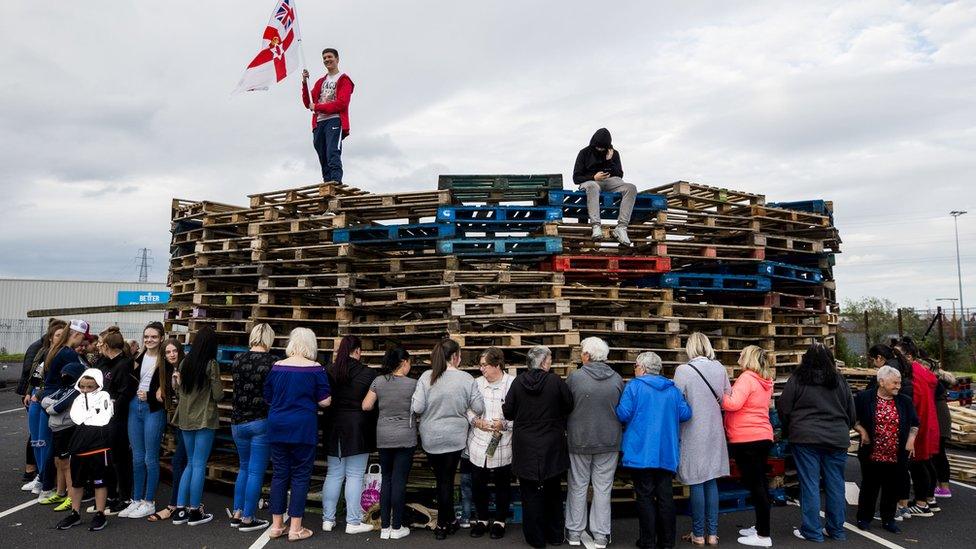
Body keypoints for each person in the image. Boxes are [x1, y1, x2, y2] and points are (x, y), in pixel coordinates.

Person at [776, 343, 855, 542]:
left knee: (809, 484)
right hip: (836, 437)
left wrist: (789, 429)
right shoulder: (839, 380)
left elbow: (784, 407)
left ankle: (812, 531)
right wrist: (844, 427)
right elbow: (851, 411)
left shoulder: (798, 379)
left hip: (805, 437)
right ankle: (836, 529)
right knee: (835, 483)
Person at [412, 339, 485, 540]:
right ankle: (444, 524)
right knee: (447, 479)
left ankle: (447, 522)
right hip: (455, 438)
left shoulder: (427, 376)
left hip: (431, 437)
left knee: (441, 479)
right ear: (455, 356)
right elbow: (478, 408)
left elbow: (417, 407)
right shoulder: (466, 378)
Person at [617, 352, 692, 549]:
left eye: (635, 366)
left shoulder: (634, 386)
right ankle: (667, 542)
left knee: (644, 497)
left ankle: (647, 541)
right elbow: (685, 413)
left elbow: (622, 413)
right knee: (666, 496)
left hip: (641, 452)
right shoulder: (672, 389)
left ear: (642, 368)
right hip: (666, 452)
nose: (634, 369)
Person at [502, 346, 574, 549]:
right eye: (549, 360)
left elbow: (508, 412)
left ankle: (536, 538)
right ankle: (555, 535)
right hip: (551, 442)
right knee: (553, 490)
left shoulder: (517, 383)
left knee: (530, 491)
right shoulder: (555, 382)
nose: (550, 363)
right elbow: (569, 404)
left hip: (525, 444)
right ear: (543, 363)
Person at [265, 327, 332, 542]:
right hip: (303, 427)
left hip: (277, 425)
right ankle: (295, 528)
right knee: (301, 476)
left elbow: (268, 396)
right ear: (311, 344)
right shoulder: (316, 369)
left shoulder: (276, 367)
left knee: (279, 474)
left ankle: (276, 526)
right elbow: (325, 401)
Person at [565, 337, 624, 549]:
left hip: (579, 440)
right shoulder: (617, 379)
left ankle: (574, 531)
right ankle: (601, 534)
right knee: (603, 488)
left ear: (587, 355)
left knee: (578, 485)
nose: (581, 355)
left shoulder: (575, 378)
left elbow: (565, 407)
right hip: (609, 441)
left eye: (582, 352)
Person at [673, 333, 731, 546]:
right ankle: (713, 534)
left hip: (692, 430)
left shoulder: (683, 371)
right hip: (715, 431)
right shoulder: (719, 368)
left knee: (696, 480)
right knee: (711, 479)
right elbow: (727, 397)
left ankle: (698, 534)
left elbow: (677, 402)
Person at [853, 364, 919, 534]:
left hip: (896, 453)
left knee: (892, 487)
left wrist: (911, 440)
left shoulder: (904, 401)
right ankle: (864, 518)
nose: (898, 386)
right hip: (872, 451)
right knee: (870, 486)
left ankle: (888, 519)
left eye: (899, 383)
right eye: (895, 383)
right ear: (881, 382)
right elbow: (852, 417)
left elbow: (914, 423)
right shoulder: (864, 398)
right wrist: (862, 431)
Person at [322, 335, 377, 534]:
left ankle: (327, 519)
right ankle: (353, 522)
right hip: (358, 428)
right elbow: (373, 406)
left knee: (333, 474)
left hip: (333, 426)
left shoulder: (328, 370)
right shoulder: (368, 373)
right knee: (355, 475)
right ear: (358, 351)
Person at [721, 346, 774, 548]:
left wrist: (719, 395)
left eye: (741, 354)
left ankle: (763, 535)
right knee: (759, 483)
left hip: (746, 438)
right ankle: (761, 526)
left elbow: (733, 404)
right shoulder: (764, 380)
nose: (739, 356)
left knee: (756, 486)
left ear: (749, 358)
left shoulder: (746, 378)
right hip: (762, 436)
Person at [362, 348, 417, 540]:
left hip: (383, 436)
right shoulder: (413, 384)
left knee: (386, 479)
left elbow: (366, 405)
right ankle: (397, 526)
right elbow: (419, 408)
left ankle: (384, 527)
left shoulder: (379, 381)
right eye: (409, 362)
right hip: (405, 437)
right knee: (399, 481)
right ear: (403, 362)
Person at [171, 326, 222, 526]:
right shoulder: (211, 364)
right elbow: (218, 395)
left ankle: (181, 510)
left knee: (190, 463)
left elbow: (180, 393)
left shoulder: (185, 363)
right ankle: (195, 511)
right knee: (199, 464)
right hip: (205, 419)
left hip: (185, 420)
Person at [36, 319, 90, 504]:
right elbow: (82, 379)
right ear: (76, 334)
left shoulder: (55, 350)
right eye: (83, 337)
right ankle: (69, 494)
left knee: (58, 450)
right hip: (60, 403)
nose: (83, 342)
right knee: (65, 453)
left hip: (49, 399)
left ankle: (52, 488)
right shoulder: (68, 354)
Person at [229, 324, 277, 532]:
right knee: (256, 472)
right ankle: (249, 517)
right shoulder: (273, 362)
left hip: (237, 421)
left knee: (244, 467)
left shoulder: (238, 359)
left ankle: (237, 512)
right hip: (260, 421)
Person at [55, 368, 115, 531]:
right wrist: (91, 414)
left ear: (98, 385)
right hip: (79, 445)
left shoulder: (104, 396)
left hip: (99, 445)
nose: (85, 390)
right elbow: (77, 417)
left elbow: (103, 418)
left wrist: (90, 415)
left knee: (99, 480)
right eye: (82, 386)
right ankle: (75, 513)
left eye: (90, 386)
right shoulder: (78, 399)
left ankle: (100, 513)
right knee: (77, 481)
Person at [467, 348, 516, 540]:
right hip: (479, 442)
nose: (482, 369)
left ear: (497, 365)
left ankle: (500, 521)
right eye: (480, 365)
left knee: (502, 483)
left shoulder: (512, 384)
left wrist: (503, 424)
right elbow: (467, 408)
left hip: (503, 442)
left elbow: (521, 415)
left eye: (485, 365)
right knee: (478, 483)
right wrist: (475, 421)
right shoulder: (476, 384)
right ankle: (482, 519)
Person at [120, 322, 167, 519]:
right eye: (146, 336)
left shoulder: (166, 360)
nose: (149, 340)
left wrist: (153, 394)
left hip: (153, 410)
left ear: (162, 338)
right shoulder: (136, 359)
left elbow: (170, 389)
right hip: (134, 408)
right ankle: (137, 499)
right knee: (137, 457)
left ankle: (149, 501)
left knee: (150, 458)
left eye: (154, 337)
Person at [22, 319, 67, 496]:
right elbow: (35, 375)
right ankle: (41, 475)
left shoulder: (62, 355)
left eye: (63, 335)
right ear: (50, 337)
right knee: (36, 440)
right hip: (35, 397)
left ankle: (46, 478)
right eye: (57, 335)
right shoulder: (44, 352)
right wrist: (28, 392)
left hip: (48, 400)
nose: (60, 338)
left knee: (46, 441)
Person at [896, 337, 940, 517]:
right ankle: (929, 498)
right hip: (929, 420)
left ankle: (922, 503)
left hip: (919, 423)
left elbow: (913, 400)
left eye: (898, 354)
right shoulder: (923, 371)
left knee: (917, 463)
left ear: (908, 355)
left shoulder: (911, 373)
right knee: (926, 461)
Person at [572, 127, 638, 245]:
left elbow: (619, 175)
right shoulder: (584, 153)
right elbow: (576, 178)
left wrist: (609, 161)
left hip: (610, 182)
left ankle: (621, 228)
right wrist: (593, 177)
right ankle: (596, 226)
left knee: (631, 187)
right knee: (593, 186)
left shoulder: (613, 153)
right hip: (590, 182)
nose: (600, 149)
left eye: (603, 148)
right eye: (598, 147)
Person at [97, 326, 137, 515]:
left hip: (117, 419)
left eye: (101, 343)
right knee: (108, 459)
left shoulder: (124, 364)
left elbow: (124, 393)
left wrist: (111, 408)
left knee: (120, 459)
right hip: (103, 417)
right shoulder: (104, 363)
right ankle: (111, 495)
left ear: (107, 345)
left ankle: (124, 496)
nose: (98, 346)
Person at [301, 47, 355, 184]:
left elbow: (342, 104)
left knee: (332, 152)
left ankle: (336, 183)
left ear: (337, 59)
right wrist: (304, 83)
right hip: (319, 123)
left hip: (334, 120)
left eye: (329, 57)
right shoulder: (320, 81)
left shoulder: (344, 80)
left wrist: (318, 107)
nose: (327, 60)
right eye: (324, 58)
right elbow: (308, 102)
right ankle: (327, 183)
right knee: (322, 153)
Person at [148, 338, 187, 522]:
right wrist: (159, 388)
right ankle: (184, 503)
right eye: (168, 352)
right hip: (177, 423)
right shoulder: (165, 371)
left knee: (179, 461)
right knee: (182, 462)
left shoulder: (185, 368)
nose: (172, 355)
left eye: (174, 351)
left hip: (189, 423)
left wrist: (178, 385)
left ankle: (174, 505)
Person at [42, 361, 88, 513]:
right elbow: (45, 400)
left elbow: (56, 407)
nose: (63, 376)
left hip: (66, 428)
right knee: (58, 461)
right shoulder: (64, 388)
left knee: (67, 463)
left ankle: (71, 496)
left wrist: (52, 405)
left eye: (67, 374)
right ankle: (60, 492)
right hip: (56, 428)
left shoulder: (75, 390)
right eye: (63, 373)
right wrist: (52, 405)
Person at [932, 367, 955, 499]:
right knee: (940, 454)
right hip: (942, 418)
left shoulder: (935, 384)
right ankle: (943, 486)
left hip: (938, 419)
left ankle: (943, 487)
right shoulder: (940, 384)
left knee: (938, 454)